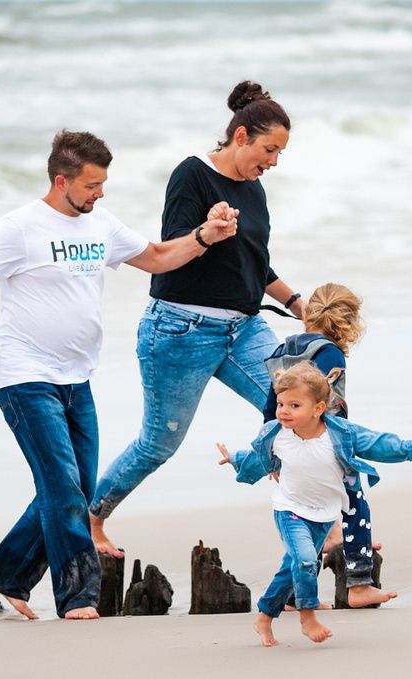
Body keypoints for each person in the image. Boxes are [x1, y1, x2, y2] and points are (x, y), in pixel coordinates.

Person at [0, 130, 239, 620]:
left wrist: (203, 237)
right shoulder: (19, 228)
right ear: (61, 179)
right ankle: (78, 597)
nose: (100, 194)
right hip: (23, 374)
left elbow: (155, 257)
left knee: (74, 489)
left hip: (77, 377)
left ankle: (6, 575)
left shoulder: (101, 224)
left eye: (103, 183)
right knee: (64, 488)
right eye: (92, 185)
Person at [90, 81, 304, 556]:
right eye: (269, 149)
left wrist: (296, 304)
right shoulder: (192, 175)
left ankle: (316, 540)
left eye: (280, 154)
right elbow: (170, 250)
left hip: (246, 328)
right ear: (242, 136)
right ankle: (92, 517)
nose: (272, 162)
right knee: (158, 445)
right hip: (181, 331)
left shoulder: (255, 191)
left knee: (305, 413)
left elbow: (254, 262)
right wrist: (207, 232)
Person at [217, 362, 412, 646]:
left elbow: (375, 442)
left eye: (294, 405)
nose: (283, 410)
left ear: (318, 408)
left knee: (292, 569)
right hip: (289, 509)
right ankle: (307, 618)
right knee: (307, 561)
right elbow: (255, 458)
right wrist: (233, 458)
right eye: (281, 403)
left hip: (323, 516)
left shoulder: (339, 433)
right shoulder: (276, 434)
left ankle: (263, 618)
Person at [261, 283, 397, 608]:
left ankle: (294, 595)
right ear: (348, 323)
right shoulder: (330, 353)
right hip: (327, 443)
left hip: (291, 447)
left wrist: (272, 453)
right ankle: (359, 584)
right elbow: (320, 400)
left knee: (305, 514)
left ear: (307, 315)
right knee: (355, 507)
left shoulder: (282, 351)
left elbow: (271, 405)